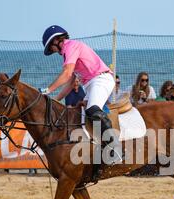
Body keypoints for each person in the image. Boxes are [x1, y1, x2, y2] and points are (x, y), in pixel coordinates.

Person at [40, 25, 122, 163]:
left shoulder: (70, 46)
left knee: (92, 110)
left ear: (56, 41)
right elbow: (71, 82)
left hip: (101, 79)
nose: (53, 51)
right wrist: (55, 100)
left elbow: (66, 74)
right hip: (91, 84)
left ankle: (115, 147)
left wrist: (47, 90)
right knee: (81, 115)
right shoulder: (68, 51)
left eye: (51, 48)